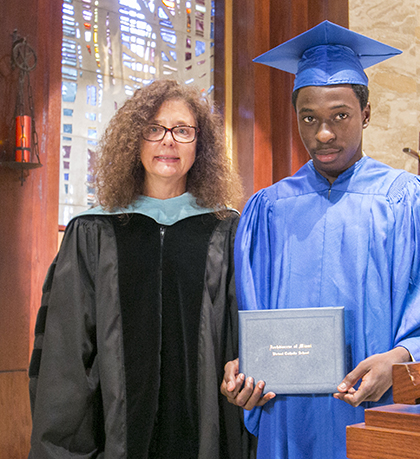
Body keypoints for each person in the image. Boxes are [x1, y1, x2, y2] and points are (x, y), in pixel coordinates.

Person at [221, 21, 420, 459]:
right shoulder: (267, 211)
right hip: (291, 418)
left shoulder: (412, 201)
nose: (323, 134)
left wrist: (401, 358)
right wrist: (246, 370)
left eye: (340, 115)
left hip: (381, 411)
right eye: (309, 118)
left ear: (365, 113)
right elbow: (255, 324)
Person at [29, 79, 255, 458]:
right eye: (154, 129)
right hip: (113, 436)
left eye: (183, 131)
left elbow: (238, 336)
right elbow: (66, 355)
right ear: (136, 140)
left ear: (200, 146)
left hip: (203, 433)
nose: (168, 140)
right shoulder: (94, 229)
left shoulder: (225, 229)